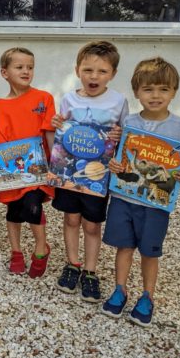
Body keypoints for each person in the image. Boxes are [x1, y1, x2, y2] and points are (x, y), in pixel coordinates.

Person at [102, 57, 180, 327]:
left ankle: (147, 296)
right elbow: (120, 157)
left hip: (156, 203)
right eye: (148, 89)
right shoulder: (129, 122)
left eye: (163, 89)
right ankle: (119, 289)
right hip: (124, 197)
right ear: (137, 92)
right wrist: (115, 164)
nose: (155, 95)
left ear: (173, 92)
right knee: (124, 246)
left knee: (149, 250)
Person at [51, 41, 128, 302]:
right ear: (77, 70)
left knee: (92, 224)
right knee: (71, 219)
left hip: (98, 177)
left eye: (102, 71)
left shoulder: (118, 101)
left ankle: (91, 271)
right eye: (88, 70)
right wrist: (56, 123)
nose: (94, 77)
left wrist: (120, 135)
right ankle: (73, 263)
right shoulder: (68, 98)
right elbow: (60, 134)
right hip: (70, 174)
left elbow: (127, 137)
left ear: (113, 74)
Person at [0, 47, 55, 277]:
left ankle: (41, 248)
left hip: (38, 167)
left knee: (32, 205)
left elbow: (49, 132)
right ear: (4, 72)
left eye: (30, 67)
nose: (26, 71)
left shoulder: (44, 98)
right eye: (19, 67)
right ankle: (16, 251)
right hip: (11, 166)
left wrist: (55, 162)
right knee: (14, 210)